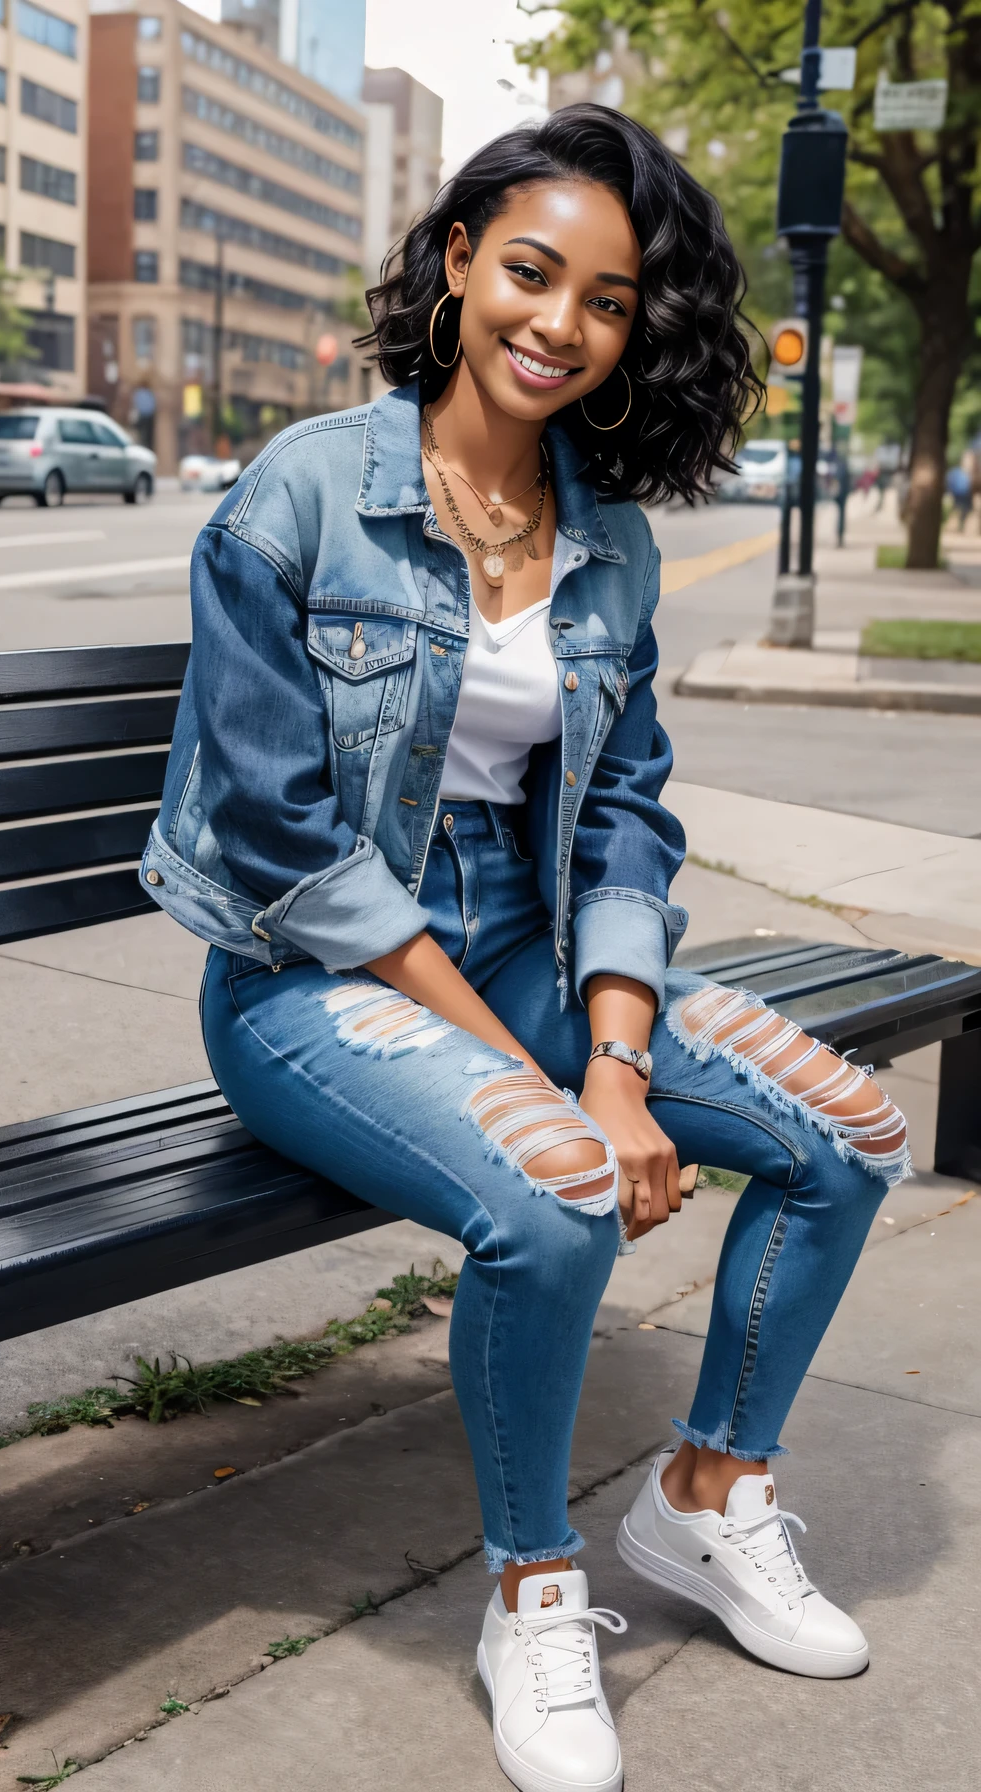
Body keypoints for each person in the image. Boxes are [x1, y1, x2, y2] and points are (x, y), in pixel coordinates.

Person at [142, 107, 909, 1792]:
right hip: (314, 974)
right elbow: (277, 828)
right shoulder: (305, 493)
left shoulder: (609, 538)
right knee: (560, 1186)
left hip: (540, 943)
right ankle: (532, 1588)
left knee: (846, 1134)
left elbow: (627, 811)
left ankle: (705, 1499)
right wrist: (542, 1080)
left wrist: (616, 1051)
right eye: (533, 274)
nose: (560, 323)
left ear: (642, 330)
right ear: (459, 263)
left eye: (611, 301)